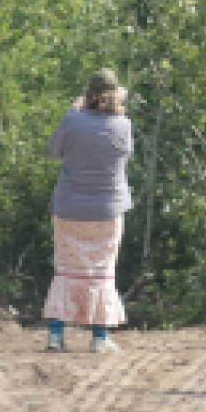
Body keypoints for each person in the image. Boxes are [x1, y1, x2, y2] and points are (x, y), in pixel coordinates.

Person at [44, 70, 136, 353]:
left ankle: (56, 335)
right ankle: (99, 337)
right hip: (108, 209)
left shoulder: (73, 120)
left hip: (69, 207)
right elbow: (126, 156)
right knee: (102, 271)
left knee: (65, 269)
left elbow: (53, 150)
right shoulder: (123, 124)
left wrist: (72, 112)